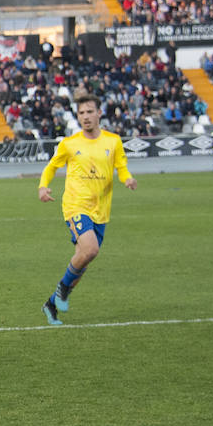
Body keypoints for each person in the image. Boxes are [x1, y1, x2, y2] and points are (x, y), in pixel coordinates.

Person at [38, 95, 137, 325]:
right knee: (90, 250)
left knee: (82, 260)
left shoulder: (113, 141)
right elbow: (51, 167)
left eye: (89, 112)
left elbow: (121, 167)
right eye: (81, 113)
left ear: (99, 114)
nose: (85, 117)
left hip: (100, 210)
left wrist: (128, 179)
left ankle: (51, 303)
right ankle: (62, 289)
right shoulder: (70, 143)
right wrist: (43, 187)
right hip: (75, 205)